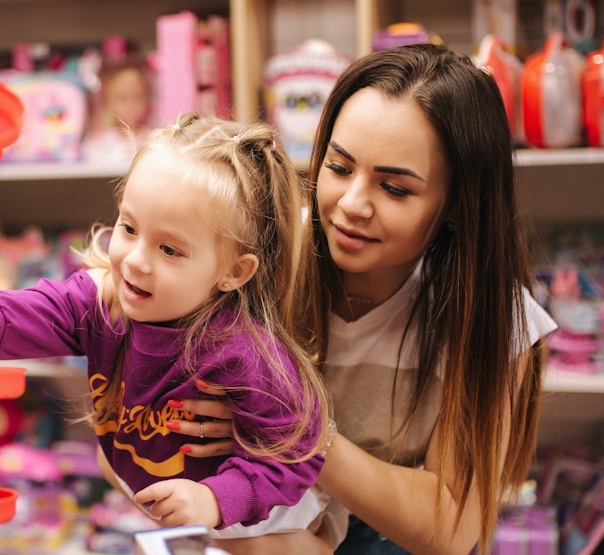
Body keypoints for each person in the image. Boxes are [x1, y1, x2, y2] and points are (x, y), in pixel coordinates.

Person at [0, 114, 334, 548]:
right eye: (129, 227)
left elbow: (295, 457)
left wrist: (216, 499)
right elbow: (26, 311)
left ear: (233, 272)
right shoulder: (107, 302)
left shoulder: (242, 350)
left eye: (170, 250)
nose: (135, 259)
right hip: (171, 515)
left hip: (260, 523)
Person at [172, 44, 557, 554]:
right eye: (338, 167)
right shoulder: (253, 259)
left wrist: (302, 437)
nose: (352, 205)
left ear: (459, 204)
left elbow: (449, 528)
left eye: (394, 189)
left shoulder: (495, 318)